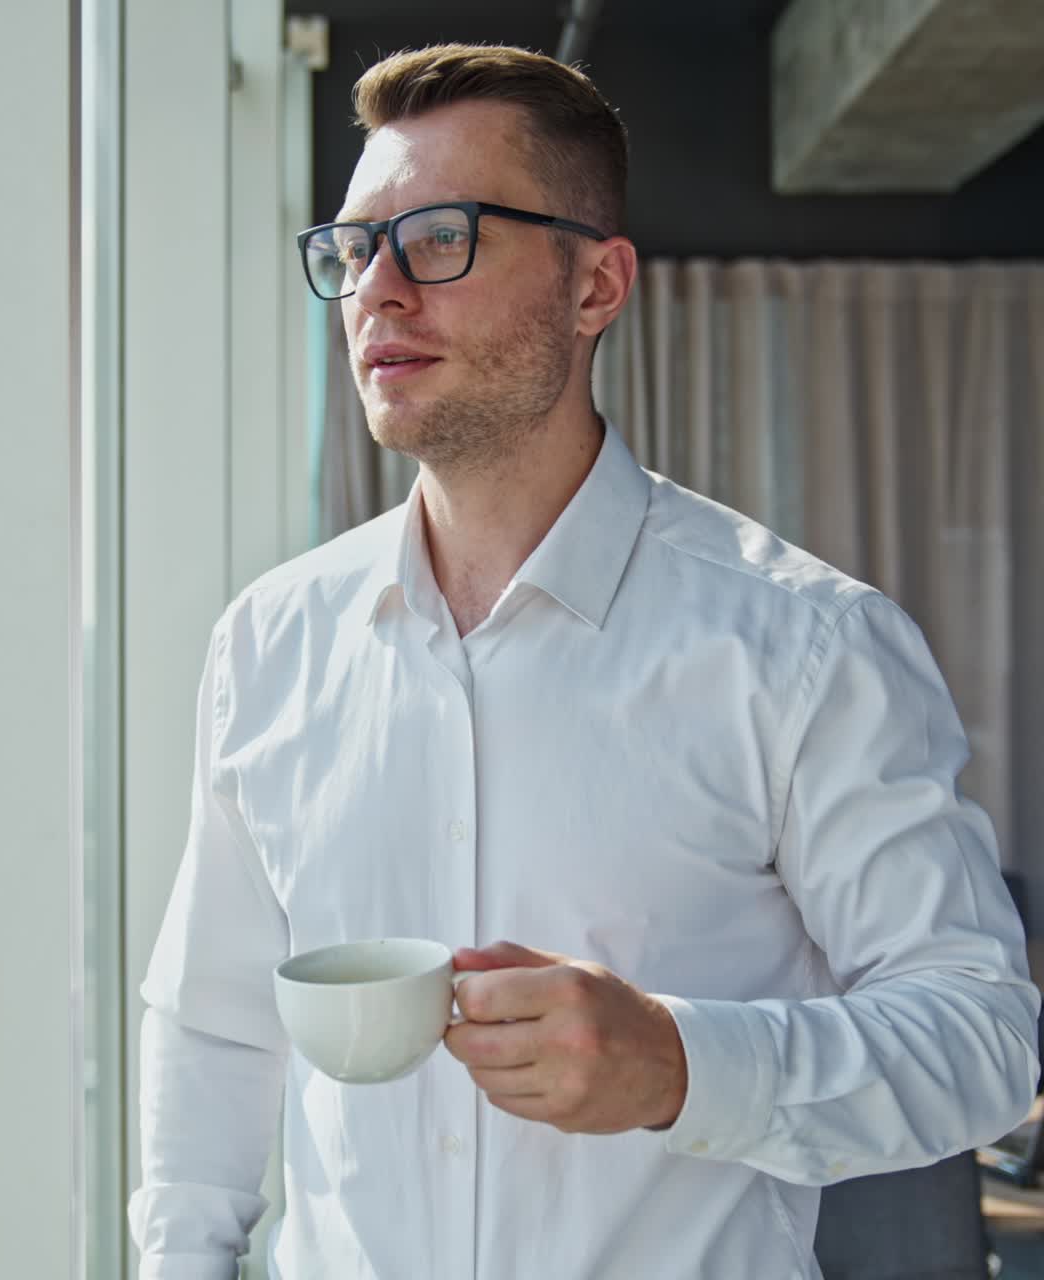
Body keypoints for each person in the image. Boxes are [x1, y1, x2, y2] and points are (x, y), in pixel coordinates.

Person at [128, 43, 1040, 1279]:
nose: (375, 291)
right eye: (351, 249)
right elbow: (213, 1026)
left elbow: (979, 1038)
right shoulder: (267, 642)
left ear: (594, 286)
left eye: (438, 238)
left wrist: (678, 1063)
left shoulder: (805, 647)